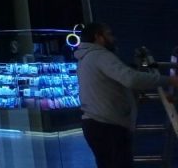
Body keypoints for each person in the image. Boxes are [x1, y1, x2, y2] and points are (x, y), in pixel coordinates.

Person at [75, 22, 178, 168]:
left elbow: (109, 86)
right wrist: (170, 80)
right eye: (109, 34)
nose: (114, 38)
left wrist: (131, 96)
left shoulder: (85, 58)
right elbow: (131, 79)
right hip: (108, 126)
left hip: (96, 124)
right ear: (98, 37)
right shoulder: (100, 56)